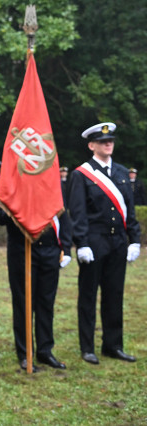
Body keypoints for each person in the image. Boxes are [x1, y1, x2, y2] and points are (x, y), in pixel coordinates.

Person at [68, 122, 141, 364]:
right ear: (92, 145)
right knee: (88, 295)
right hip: (95, 241)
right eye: (102, 141)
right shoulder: (81, 174)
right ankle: (87, 347)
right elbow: (77, 213)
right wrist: (82, 243)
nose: (107, 144)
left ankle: (113, 345)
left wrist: (135, 240)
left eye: (110, 141)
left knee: (114, 294)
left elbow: (129, 210)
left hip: (118, 241)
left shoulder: (121, 172)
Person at [0, 206, 72, 372]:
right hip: (23, 249)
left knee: (46, 303)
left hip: (50, 248)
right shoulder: (13, 181)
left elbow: (62, 212)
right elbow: (0, 217)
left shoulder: (50, 181)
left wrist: (66, 246)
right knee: (23, 304)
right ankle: (25, 353)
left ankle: (45, 350)